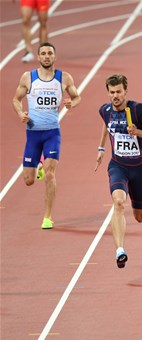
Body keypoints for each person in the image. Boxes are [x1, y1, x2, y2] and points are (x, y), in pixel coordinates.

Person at [12, 42, 81, 229]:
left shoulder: (64, 78)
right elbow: (16, 99)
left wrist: (71, 103)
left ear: (55, 57)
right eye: (43, 53)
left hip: (52, 133)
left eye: (50, 53)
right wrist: (20, 113)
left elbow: (77, 96)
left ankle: (48, 217)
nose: (46, 56)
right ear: (39, 57)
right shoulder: (28, 77)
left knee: (50, 175)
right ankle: (39, 163)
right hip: (33, 134)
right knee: (29, 180)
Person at [95, 74, 142, 268]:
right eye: (112, 92)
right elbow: (106, 127)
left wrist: (137, 132)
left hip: (138, 169)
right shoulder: (104, 110)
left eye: (119, 92)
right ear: (108, 92)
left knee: (140, 217)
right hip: (118, 166)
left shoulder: (138, 109)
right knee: (118, 202)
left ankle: (137, 204)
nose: (115, 96)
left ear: (125, 91)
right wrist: (101, 148)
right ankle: (119, 251)